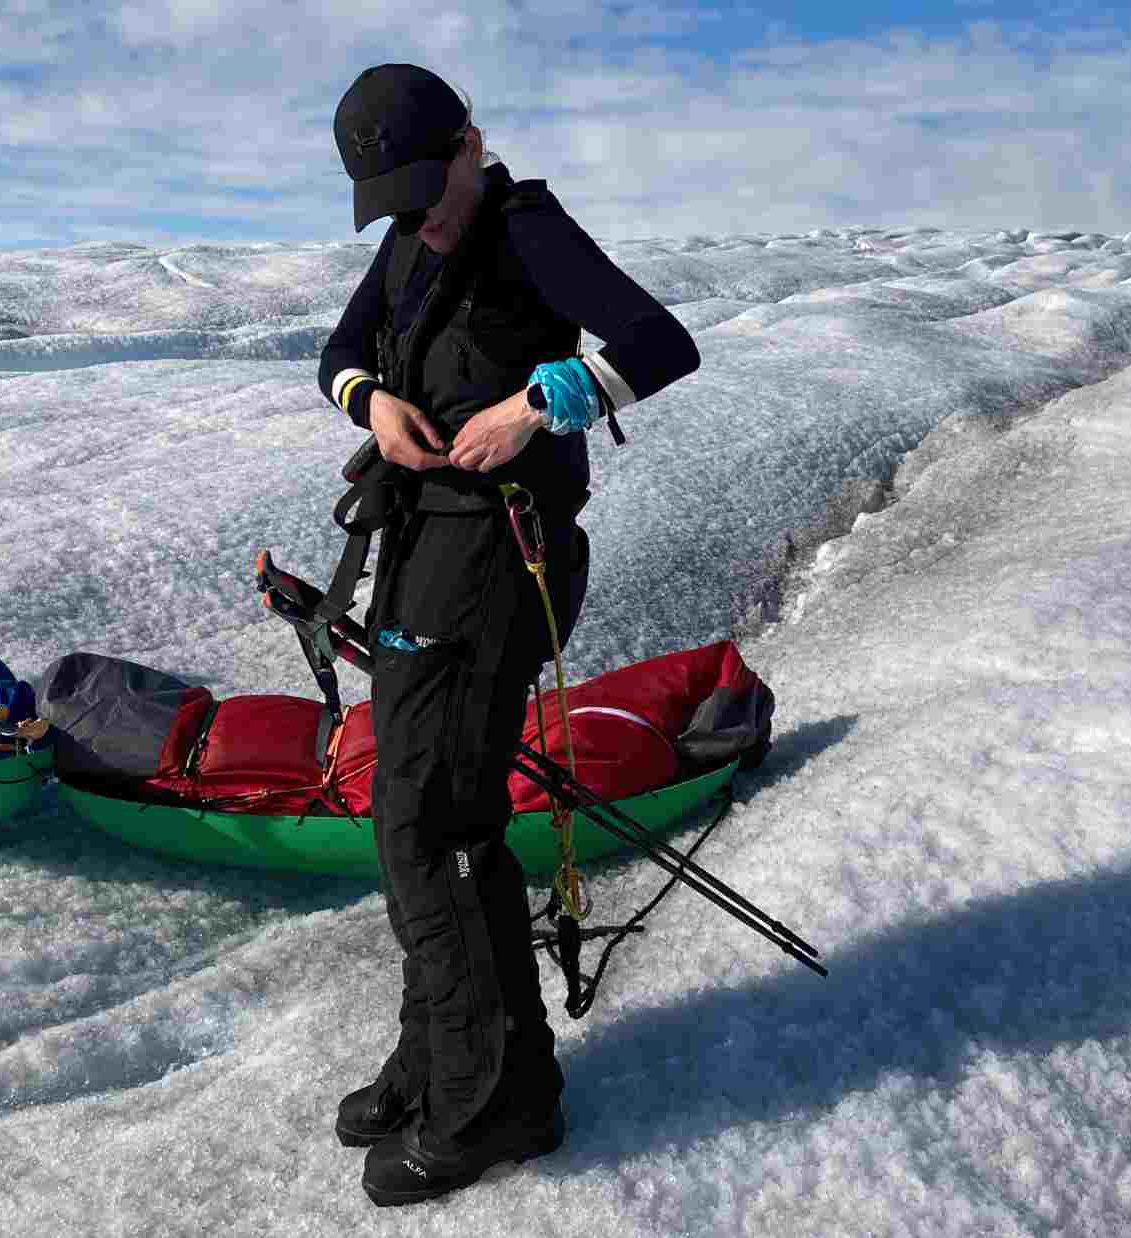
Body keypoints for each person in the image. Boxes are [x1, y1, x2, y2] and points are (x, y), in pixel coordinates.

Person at [316, 63, 699, 1206]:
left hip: (500, 555)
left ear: (471, 143)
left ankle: (496, 1099)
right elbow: (337, 352)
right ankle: (437, 1050)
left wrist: (536, 403)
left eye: (429, 183)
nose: (419, 211)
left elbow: (660, 341)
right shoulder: (402, 242)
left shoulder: (526, 227)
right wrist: (369, 402)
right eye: (396, 196)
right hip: (418, 553)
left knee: (438, 819)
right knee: (411, 810)